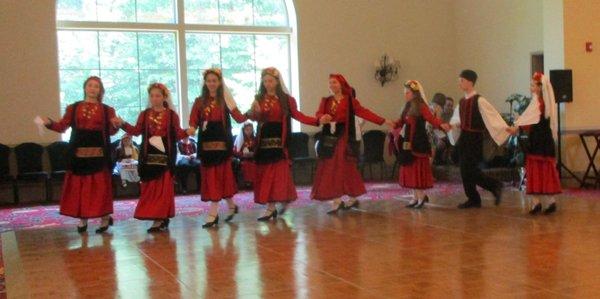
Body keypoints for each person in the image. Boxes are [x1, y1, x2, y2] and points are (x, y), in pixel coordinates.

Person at [41, 76, 118, 233]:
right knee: (80, 188)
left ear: (100, 90)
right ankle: (82, 220)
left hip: (99, 154)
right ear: (85, 88)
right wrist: (49, 123)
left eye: (96, 86)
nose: (92, 88)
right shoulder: (73, 108)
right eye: (90, 85)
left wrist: (116, 125)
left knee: (100, 189)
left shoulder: (107, 110)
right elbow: (62, 126)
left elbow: (111, 131)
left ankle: (104, 219)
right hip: (78, 154)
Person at [311, 74, 394, 214]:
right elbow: (318, 113)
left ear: (341, 84)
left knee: (342, 167)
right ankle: (337, 200)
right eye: (330, 83)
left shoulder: (350, 101)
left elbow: (364, 113)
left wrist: (383, 120)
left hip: (344, 138)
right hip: (329, 138)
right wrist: (322, 117)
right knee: (331, 167)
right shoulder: (326, 101)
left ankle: (346, 197)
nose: (331, 85)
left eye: (334, 83)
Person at [245, 67, 320, 221]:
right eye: (264, 81)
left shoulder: (286, 100)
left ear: (277, 81)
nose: (267, 84)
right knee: (266, 175)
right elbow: (254, 118)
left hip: (280, 142)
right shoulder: (259, 98)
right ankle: (271, 208)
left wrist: (317, 121)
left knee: (278, 175)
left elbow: (298, 115)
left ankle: (279, 202)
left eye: (270, 81)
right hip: (264, 141)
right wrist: (254, 112)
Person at [115, 83, 188, 232]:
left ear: (164, 97)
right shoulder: (145, 114)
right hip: (148, 156)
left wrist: (189, 131)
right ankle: (159, 217)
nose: (155, 99)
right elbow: (136, 131)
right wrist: (122, 123)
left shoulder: (171, 115)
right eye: (152, 96)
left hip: (165, 156)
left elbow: (178, 134)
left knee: (163, 187)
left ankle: (159, 219)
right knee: (151, 187)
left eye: (158, 95)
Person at [188, 68, 247, 228]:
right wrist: (192, 127)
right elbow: (193, 120)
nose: (212, 83)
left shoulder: (225, 100)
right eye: (209, 81)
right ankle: (231, 206)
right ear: (205, 83)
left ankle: (213, 213)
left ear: (219, 82)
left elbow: (239, 117)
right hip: (206, 144)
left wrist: (253, 112)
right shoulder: (199, 101)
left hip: (222, 144)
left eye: (214, 80)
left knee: (221, 176)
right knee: (212, 177)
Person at [449, 69, 509, 209]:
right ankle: (475, 197)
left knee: (469, 170)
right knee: (465, 170)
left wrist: (504, 129)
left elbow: (492, 117)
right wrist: (453, 126)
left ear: (470, 82)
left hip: (474, 139)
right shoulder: (462, 102)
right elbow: (457, 119)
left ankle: (493, 187)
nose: (460, 84)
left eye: (462, 81)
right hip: (464, 138)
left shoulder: (479, 100)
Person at [507, 72, 561, 214]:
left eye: (532, 84)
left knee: (537, 170)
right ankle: (547, 202)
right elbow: (530, 121)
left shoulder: (539, 103)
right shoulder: (544, 103)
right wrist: (519, 123)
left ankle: (539, 203)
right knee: (543, 170)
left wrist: (517, 124)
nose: (530, 87)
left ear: (539, 87)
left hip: (538, 141)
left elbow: (528, 120)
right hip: (544, 140)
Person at [393, 80, 450, 209]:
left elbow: (431, 118)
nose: (405, 95)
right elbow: (401, 121)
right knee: (410, 170)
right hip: (407, 142)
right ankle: (414, 197)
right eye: (405, 93)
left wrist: (441, 125)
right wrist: (393, 123)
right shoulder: (407, 106)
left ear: (414, 93)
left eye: (407, 92)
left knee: (417, 171)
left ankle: (421, 197)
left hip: (418, 143)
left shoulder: (421, 106)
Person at [233, 122, 257, 188]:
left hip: (252, 159)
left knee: (254, 164)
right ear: (243, 130)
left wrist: (253, 154)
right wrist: (242, 154)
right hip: (243, 159)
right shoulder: (239, 139)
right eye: (247, 130)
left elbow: (257, 149)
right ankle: (247, 183)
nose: (249, 132)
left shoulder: (254, 139)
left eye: (251, 130)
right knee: (246, 164)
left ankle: (253, 183)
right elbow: (235, 151)